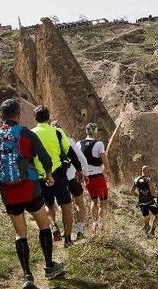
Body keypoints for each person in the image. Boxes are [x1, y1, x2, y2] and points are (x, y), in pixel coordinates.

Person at [0, 99, 65, 289]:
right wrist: (49, 175)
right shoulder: (26, 134)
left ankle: (27, 275)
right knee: (44, 226)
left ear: (1, 116)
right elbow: (45, 158)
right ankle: (49, 266)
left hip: (9, 194)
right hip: (30, 189)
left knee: (20, 234)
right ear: (18, 115)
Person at [31, 106, 83, 247]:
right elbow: (70, 152)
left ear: (35, 118)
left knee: (48, 205)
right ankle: (67, 238)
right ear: (49, 118)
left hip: (41, 176)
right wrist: (79, 169)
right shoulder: (58, 132)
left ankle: (54, 226)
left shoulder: (31, 134)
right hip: (59, 174)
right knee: (66, 205)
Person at [54, 122, 89, 240]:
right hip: (73, 177)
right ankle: (80, 230)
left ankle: (65, 231)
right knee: (79, 203)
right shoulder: (69, 140)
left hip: (58, 178)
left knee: (64, 206)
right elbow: (82, 158)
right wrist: (85, 173)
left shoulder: (50, 142)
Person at [80, 123, 109, 233]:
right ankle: (100, 223)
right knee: (103, 200)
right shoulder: (99, 144)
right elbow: (103, 158)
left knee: (93, 200)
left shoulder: (79, 143)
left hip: (87, 177)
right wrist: (108, 170)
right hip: (98, 176)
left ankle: (94, 222)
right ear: (95, 131)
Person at [131, 165, 158, 238]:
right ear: (146, 171)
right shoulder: (148, 180)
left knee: (147, 219)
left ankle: (145, 235)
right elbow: (153, 192)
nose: (150, 172)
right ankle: (152, 231)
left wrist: (138, 196)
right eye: (149, 171)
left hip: (142, 203)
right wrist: (157, 195)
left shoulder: (136, 180)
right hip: (150, 202)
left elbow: (131, 191)